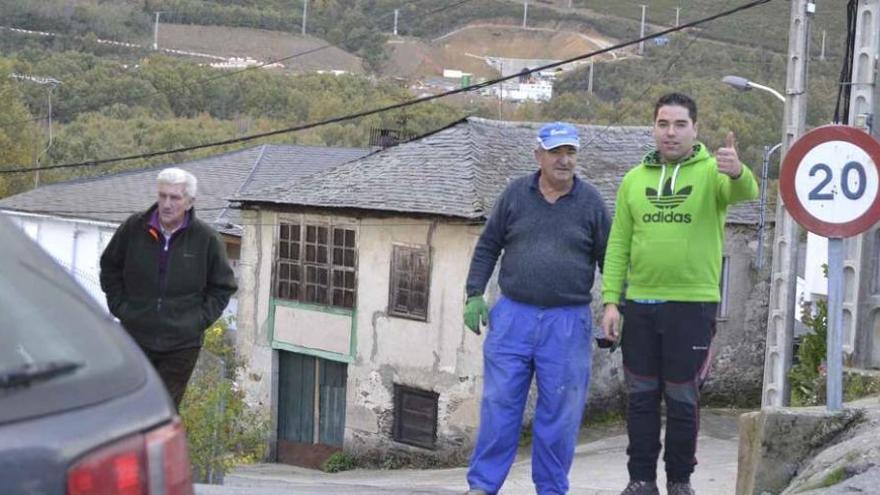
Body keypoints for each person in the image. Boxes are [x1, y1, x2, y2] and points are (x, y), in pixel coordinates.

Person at [600, 93, 759, 495]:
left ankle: (680, 481)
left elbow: (745, 194)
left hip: (691, 304)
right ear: (653, 127)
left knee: (682, 398)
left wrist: (738, 170)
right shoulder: (633, 180)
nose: (670, 132)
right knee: (640, 397)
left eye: (680, 124)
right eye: (663, 124)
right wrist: (611, 301)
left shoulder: (711, 172)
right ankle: (640, 480)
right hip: (640, 303)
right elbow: (618, 244)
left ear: (695, 129)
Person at [462, 122, 611, 495]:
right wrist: (474, 293)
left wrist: (615, 305)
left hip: (568, 321)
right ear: (538, 156)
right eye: (556, 152)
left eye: (571, 152)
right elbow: (488, 245)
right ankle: (482, 486)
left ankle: (551, 488)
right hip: (513, 315)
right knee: (499, 406)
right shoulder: (515, 195)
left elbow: (612, 258)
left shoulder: (591, 202)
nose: (564, 160)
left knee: (559, 415)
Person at [100, 167, 237, 408]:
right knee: (127, 405)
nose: (166, 204)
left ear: (189, 202)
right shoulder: (134, 228)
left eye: (175, 198)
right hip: (135, 336)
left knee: (162, 410)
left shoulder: (206, 239)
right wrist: (121, 307)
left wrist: (196, 320)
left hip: (181, 345)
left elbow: (223, 287)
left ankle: (156, 447)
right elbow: (110, 266)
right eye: (162, 195)